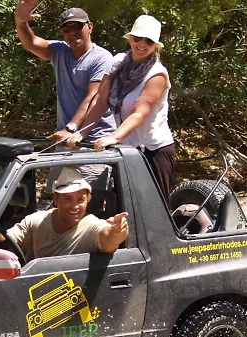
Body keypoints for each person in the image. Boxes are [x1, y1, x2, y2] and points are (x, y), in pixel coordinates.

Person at [67, 15, 175, 206]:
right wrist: (82, 132)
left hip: (153, 149)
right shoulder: (117, 62)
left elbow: (139, 113)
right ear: (130, 38)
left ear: (155, 46)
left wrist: (112, 137)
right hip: (126, 148)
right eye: (138, 38)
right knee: (123, 204)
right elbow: (101, 101)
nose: (142, 44)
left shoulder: (156, 73)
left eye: (149, 41)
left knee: (153, 207)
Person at [14, 0, 116, 142]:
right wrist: (20, 21)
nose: (72, 32)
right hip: (65, 137)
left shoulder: (102, 58)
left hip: (95, 140)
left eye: (77, 26)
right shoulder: (59, 51)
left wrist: (70, 128)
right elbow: (31, 43)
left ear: (90, 27)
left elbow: (93, 98)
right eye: (67, 29)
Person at [0, 167, 129, 259]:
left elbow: (108, 240)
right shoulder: (37, 220)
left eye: (80, 199)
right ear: (56, 199)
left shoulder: (93, 225)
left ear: (88, 200)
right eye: (67, 198)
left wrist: (117, 232)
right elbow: (5, 245)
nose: (75, 206)